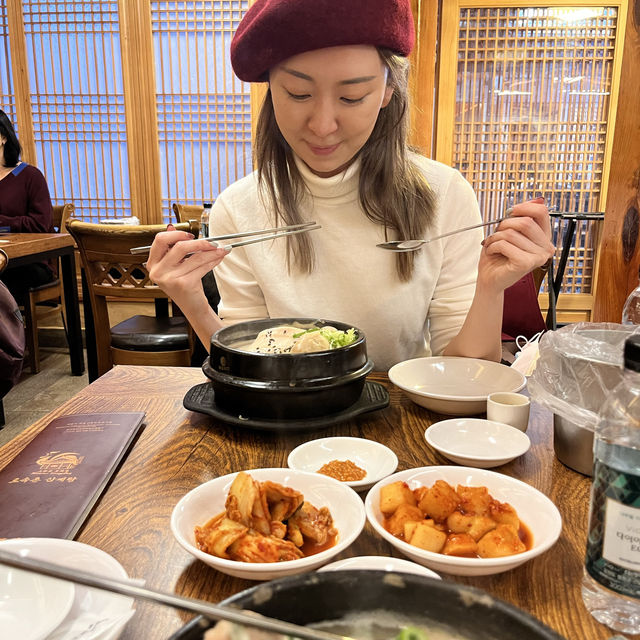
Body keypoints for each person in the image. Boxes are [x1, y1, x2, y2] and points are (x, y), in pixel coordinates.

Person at [147, 0, 555, 372]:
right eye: (298, 92)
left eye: (353, 96)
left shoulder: (443, 193)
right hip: (290, 418)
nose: (323, 125)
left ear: (386, 92)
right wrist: (193, 302)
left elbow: (465, 375)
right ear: (270, 88)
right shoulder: (239, 206)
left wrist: (490, 288)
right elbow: (255, 363)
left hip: (404, 423)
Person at [0, 109, 56, 301]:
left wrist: (2, 223)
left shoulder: (29, 175)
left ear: (3, 137)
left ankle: (11, 331)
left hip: (29, 262)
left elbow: (40, 224)